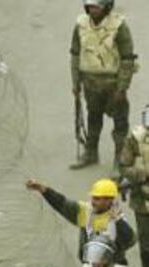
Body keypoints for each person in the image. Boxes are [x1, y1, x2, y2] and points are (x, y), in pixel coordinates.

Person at [70, 0, 136, 169]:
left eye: (97, 7)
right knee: (93, 119)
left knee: (120, 124)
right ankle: (91, 154)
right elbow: (75, 54)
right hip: (90, 83)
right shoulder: (81, 24)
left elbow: (127, 59)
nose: (93, 10)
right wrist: (76, 82)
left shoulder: (119, 26)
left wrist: (122, 87)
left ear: (107, 7)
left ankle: (120, 160)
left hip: (112, 85)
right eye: (90, 6)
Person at [26, 178, 135, 264]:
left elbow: (130, 241)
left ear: (109, 200)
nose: (93, 201)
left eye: (97, 199)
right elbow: (62, 203)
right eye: (93, 197)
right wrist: (43, 189)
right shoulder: (85, 210)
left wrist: (118, 223)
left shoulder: (118, 220)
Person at [120, 104, 149, 267]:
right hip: (142, 200)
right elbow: (124, 166)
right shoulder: (135, 138)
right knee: (147, 246)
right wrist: (144, 174)